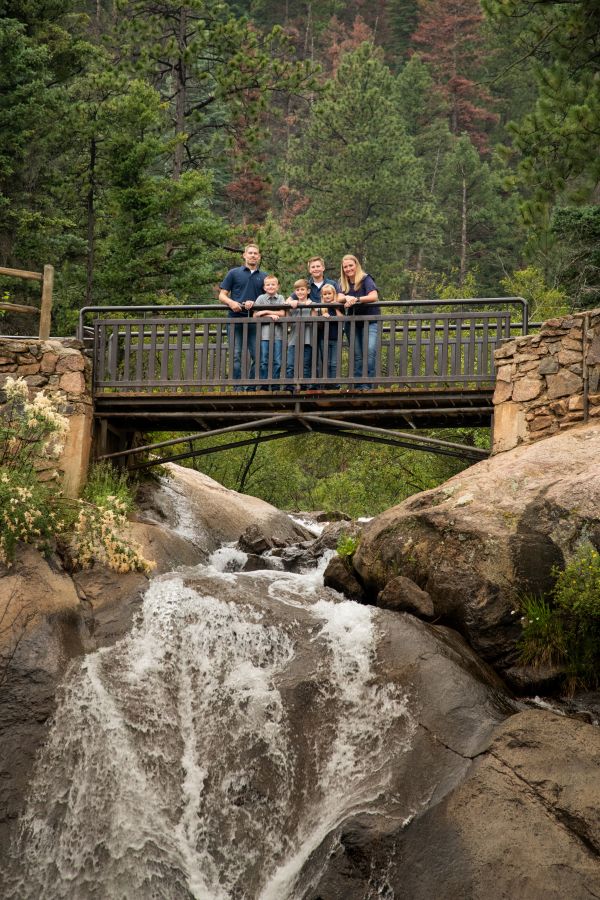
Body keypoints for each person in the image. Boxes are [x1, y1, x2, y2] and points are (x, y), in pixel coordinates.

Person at [218, 243, 266, 388]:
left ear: (259, 257)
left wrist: (257, 305)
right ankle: (237, 387)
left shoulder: (264, 277)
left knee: (258, 356)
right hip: (235, 318)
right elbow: (222, 295)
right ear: (244, 255)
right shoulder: (234, 273)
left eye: (255, 253)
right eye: (250, 253)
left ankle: (250, 388)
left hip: (255, 320)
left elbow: (268, 298)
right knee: (235, 355)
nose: (253, 255)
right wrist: (232, 303)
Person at [338, 254, 380, 390]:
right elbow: (339, 297)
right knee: (357, 355)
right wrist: (347, 297)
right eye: (345, 267)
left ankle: (368, 386)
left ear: (356, 265)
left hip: (370, 320)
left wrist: (357, 299)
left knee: (369, 352)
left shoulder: (365, 279)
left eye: (351, 265)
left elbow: (374, 296)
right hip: (352, 322)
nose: (348, 269)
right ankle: (357, 386)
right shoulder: (342, 282)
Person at [284, 278, 319, 391]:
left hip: (308, 340)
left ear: (308, 291)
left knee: (305, 365)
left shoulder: (312, 304)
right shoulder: (292, 305)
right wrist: (289, 307)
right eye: (297, 290)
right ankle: (289, 387)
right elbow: (288, 322)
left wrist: (311, 307)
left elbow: (315, 321)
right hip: (293, 339)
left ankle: (304, 387)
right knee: (290, 364)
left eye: (302, 289)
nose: (300, 292)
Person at [253, 274, 286, 388]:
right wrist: (270, 315)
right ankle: (264, 386)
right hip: (264, 336)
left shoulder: (281, 298)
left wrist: (266, 311)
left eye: (273, 284)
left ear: (277, 286)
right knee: (264, 361)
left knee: (277, 361)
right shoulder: (261, 298)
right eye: (268, 284)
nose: (271, 286)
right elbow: (255, 316)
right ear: (264, 287)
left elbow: (282, 313)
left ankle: (275, 386)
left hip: (278, 335)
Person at [318, 282, 345, 388]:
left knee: (334, 363)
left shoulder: (338, 306)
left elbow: (342, 318)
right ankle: (327, 385)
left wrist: (336, 307)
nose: (327, 296)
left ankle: (335, 385)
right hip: (323, 338)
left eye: (329, 294)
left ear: (334, 294)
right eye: (325, 294)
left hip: (336, 338)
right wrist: (322, 316)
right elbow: (318, 322)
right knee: (326, 362)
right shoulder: (321, 307)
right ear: (322, 296)